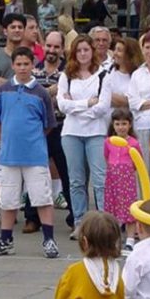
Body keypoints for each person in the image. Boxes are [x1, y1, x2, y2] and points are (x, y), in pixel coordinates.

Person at [0, 47, 59, 258]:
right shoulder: (4, 89)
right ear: (13, 65)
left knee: (42, 197)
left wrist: (33, 139)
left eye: (27, 64)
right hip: (9, 155)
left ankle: (49, 239)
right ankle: (5, 239)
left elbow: (48, 123)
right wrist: (3, 141)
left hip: (34, 155)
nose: (23, 68)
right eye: (19, 64)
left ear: (32, 65)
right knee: (8, 199)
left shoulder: (41, 92)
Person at [58, 35, 110, 238]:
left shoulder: (103, 75)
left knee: (100, 180)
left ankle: (104, 223)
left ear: (92, 51)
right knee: (76, 180)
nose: (82, 54)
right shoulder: (67, 76)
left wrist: (76, 107)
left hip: (96, 132)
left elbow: (102, 107)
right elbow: (63, 106)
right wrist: (87, 103)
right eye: (78, 50)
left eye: (86, 50)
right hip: (71, 133)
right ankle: (79, 221)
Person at [25, 31, 72, 231]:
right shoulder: (34, 71)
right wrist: (49, 93)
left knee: (67, 172)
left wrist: (48, 93)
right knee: (35, 172)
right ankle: (32, 216)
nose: (52, 51)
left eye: (56, 47)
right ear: (43, 46)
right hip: (38, 129)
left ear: (62, 49)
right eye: (49, 46)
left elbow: (67, 98)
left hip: (61, 127)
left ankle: (74, 216)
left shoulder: (68, 72)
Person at [104, 108, 142, 255]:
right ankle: (114, 240)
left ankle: (130, 240)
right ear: (113, 125)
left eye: (124, 123)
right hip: (112, 179)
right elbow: (107, 157)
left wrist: (126, 169)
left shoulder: (133, 143)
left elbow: (138, 162)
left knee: (129, 209)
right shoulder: (108, 142)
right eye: (118, 124)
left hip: (127, 179)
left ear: (130, 125)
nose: (121, 127)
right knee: (112, 208)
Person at [127, 31, 150, 178]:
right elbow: (133, 102)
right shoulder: (137, 74)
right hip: (142, 125)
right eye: (147, 47)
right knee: (144, 171)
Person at [99, 37, 141, 112]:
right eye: (115, 49)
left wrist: (107, 94)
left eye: (119, 50)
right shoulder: (107, 72)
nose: (115, 53)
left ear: (129, 54)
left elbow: (134, 102)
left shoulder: (139, 74)